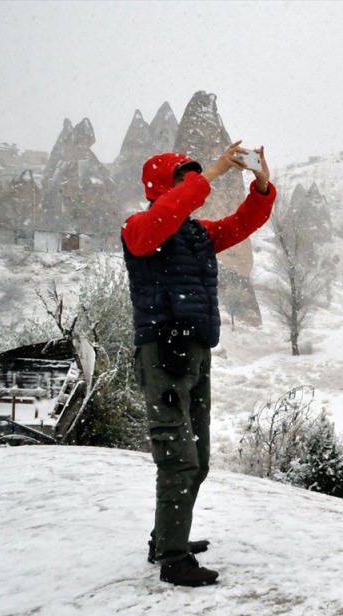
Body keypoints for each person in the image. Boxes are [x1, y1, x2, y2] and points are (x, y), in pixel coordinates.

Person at [121, 140, 276, 586]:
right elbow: (164, 217)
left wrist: (260, 183)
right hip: (162, 356)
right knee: (178, 459)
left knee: (198, 458)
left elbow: (244, 222)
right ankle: (173, 559)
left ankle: (167, 537)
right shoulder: (140, 229)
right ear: (161, 188)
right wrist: (208, 174)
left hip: (196, 352)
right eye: (182, 179)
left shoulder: (194, 233)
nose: (191, 185)